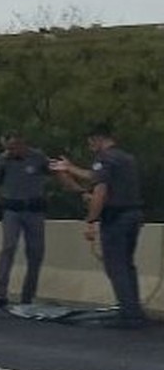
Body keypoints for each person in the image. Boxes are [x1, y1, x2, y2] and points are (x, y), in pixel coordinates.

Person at [50, 123, 146, 328]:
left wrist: (91, 220)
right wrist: (70, 168)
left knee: (116, 266)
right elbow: (95, 176)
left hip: (116, 218)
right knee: (127, 264)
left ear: (97, 139)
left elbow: (100, 190)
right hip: (134, 215)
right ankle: (134, 309)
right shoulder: (126, 158)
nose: (90, 147)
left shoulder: (104, 158)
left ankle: (129, 315)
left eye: (90, 143)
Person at [0, 130, 54, 307]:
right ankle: (0, 292)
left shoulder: (38, 157)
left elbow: (56, 172)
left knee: (36, 252)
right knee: (9, 247)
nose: (10, 151)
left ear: (22, 144)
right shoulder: (2, 161)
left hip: (34, 209)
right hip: (12, 209)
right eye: (7, 148)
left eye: (13, 148)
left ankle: (28, 295)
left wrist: (78, 189)